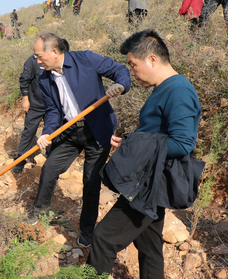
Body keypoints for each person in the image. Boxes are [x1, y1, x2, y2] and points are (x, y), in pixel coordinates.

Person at [87, 29, 202, 278]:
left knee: (103, 238)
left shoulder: (179, 90)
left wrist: (133, 145)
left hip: (153, 183)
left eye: (133, 65)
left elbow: (183, 144)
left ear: (151, 59)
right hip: (152, 180)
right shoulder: (166, 88)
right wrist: (130, 142)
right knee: (149, 246)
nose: (132, 72)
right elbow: (156, 136)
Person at [29, 33, 131, 249]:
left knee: (90, 181)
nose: (37, 61)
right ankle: (39, 212)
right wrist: (47, 132)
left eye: (39, 56)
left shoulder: (86, 59)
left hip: (98, 131)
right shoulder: (44, 79)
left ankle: (87, 230)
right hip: (69, 133)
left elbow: (119, 70)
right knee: (49, 169)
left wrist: (120, 86)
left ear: (54, 52)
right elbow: (53, 111)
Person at [13, 39, 70, 173]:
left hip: (54, 107)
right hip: (35, 104)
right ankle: (21, 158)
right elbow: (24, 80)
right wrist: (25, 99)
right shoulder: (33, 61)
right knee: (29, 131)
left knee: (54, 133)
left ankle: (52, 160)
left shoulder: (63, 62)